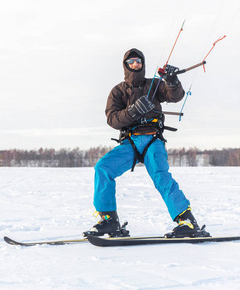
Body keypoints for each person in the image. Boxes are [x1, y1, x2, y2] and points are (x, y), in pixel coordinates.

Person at [83, 48, 210, 238]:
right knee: (103, 168)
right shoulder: (117, 91)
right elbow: (112, 119)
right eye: (131, 62)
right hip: (130, 144)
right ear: (125, 65)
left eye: (138, 61)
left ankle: (187, 221)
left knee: (161, 176)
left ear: (143, 64)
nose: (135, 64)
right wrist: (133, 112)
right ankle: (109, 221)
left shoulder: (154, 85)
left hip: (152, 140)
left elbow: (175, 96)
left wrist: (172, 81)